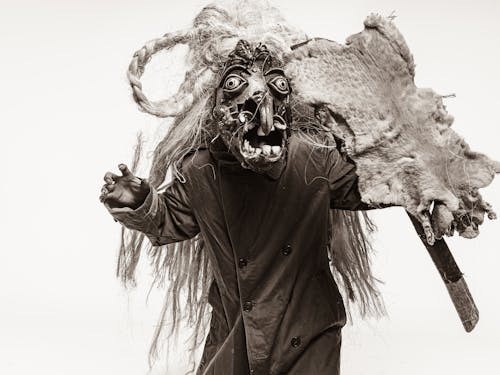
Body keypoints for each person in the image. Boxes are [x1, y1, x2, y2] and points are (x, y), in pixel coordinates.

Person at [100, 39, 383, 375]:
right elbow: (168, 221)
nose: (261, 103)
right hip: (238, 327)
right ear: (216, 106)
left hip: (308, 328)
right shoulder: (200, 170)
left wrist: (423, 183)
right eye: (235, 85)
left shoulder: (316, 158)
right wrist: (141, 203)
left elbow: (372, 185)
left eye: (277, 86)